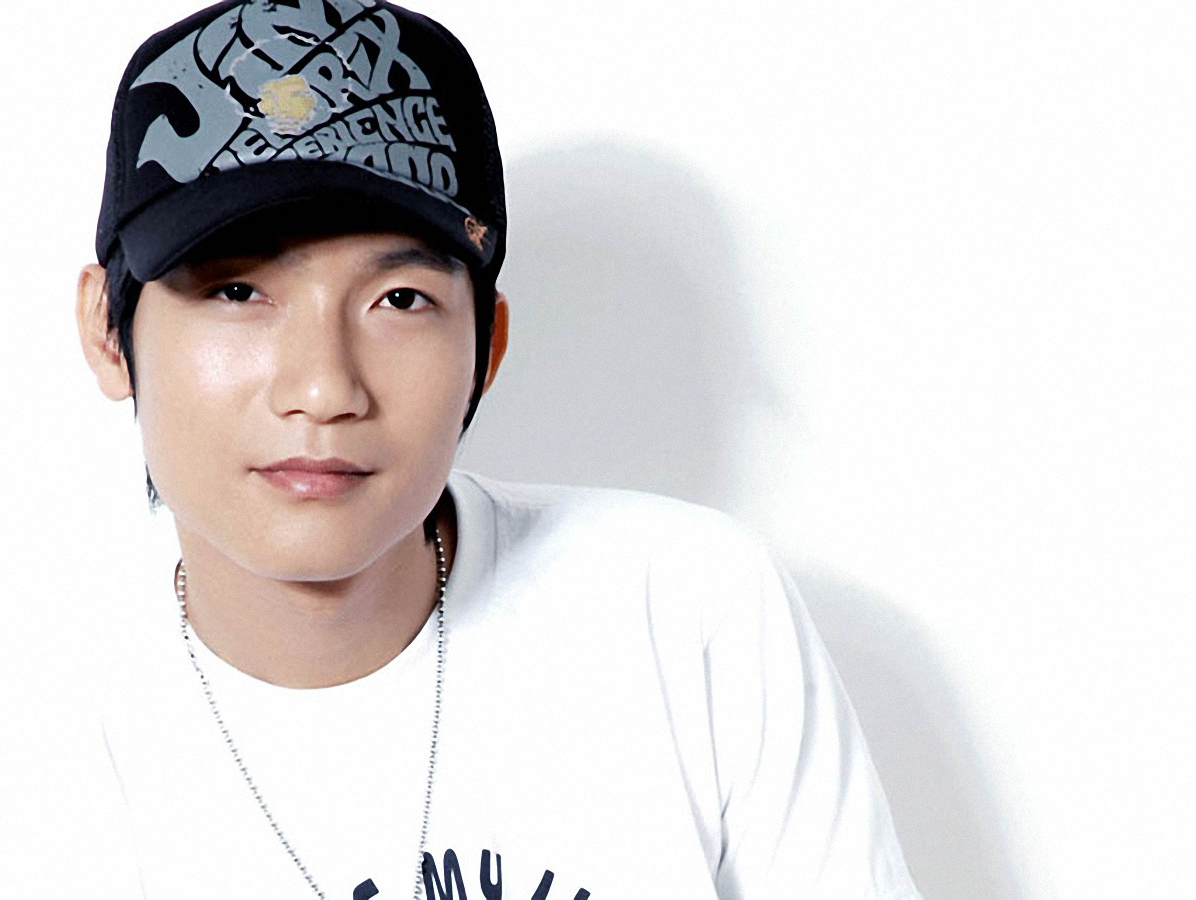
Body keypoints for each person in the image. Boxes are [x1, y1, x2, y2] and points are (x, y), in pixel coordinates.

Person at [75, 1, 923, 897]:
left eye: (400, 300)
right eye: (237, 291)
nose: (324, 388)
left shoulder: (684, 612)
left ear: (488, 347)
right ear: (106, 330)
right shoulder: (34, 756)